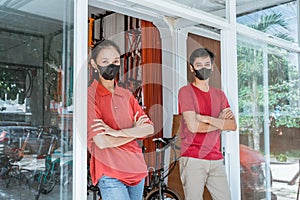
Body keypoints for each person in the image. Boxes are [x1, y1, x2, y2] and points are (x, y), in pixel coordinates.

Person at [87, 39, 154, 200]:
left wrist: (116, 133)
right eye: (105, 61)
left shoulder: (126, 95)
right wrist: (135, 133)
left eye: (115, 61)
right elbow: (101, 142)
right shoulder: (90, 96)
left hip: (136, 170)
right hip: (110, 173)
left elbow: (150, 128)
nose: (111, 65)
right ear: (94, 64)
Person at [178, 47, 237, 200]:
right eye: (199, 65)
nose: (203, 68)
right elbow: (193, 126)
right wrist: (220, 121)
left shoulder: (219, 95)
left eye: (207, 64)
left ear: (212, 66)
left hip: (216, 158)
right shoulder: (186, 92)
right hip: (193, 158)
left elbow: (232, 125)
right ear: (192, 68)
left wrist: (208, 119)